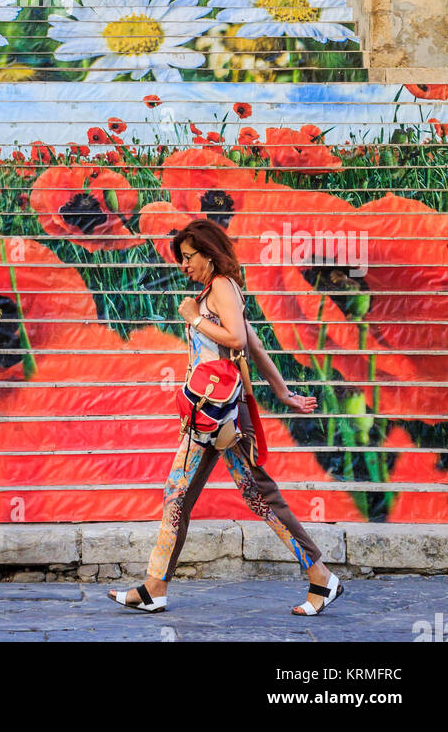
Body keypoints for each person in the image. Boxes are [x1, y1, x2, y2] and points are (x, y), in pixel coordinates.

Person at [109, 218, 343, 617]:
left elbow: (236, 339)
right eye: (180, 259)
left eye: (188, 257)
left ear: (208, 252)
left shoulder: (218, 287)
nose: (183, 266)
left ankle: (320, 576)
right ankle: (155, 587)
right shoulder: (223, 290)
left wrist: (193, 318)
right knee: (232, 497)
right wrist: (282, 391)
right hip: (214, 415)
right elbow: (251, 340)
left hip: (217, 416)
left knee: (197, 497)